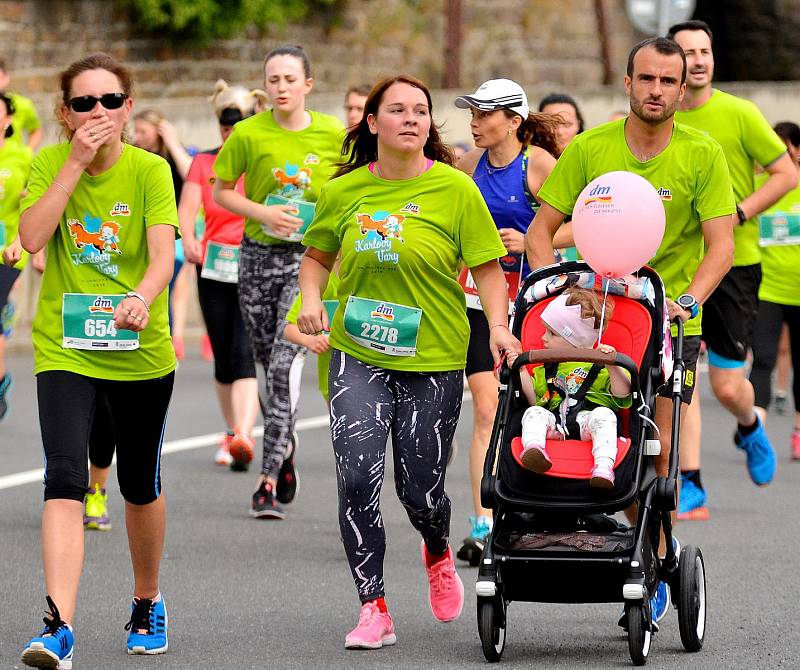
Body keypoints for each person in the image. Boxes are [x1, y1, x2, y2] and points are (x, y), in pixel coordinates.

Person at [296, 74, 520, 649]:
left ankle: (438, 549)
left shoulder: (455, 189)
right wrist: (313, 300)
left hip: (433, 356)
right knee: (356, 473)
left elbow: (490, 270)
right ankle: (373, 607)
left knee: (420, 487)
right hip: (359, 351)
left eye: (421, 110)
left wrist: (498, 325)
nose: (412, 118)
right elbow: (317, 259)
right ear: (373, 123)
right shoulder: (344, 192)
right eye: (397, 110)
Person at [525, 37, 735, 625]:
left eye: (669, 82)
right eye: (647, 79)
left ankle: (657, 553)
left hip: (665, 319)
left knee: (657, 446)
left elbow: (722, 244)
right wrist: (557, 292)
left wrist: (688, 300)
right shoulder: (591, 148)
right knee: (571, 415)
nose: (657, 91)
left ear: (683, 88)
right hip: (591, 316)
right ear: (627, 82)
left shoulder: (702, 154)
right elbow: (543, 230)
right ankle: (576, 521)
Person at [17, 52, 178, 667]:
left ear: (128, 107)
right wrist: (75, 165)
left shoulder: (149, 172)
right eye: (84, 103)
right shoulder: (50, 162)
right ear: (64, 113)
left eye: (110, 101)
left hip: (139, 348)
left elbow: (162, 256)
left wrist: (141, 297)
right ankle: (58, 624)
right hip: (66, 347)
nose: (98, 113)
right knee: (63, 475)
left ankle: (146, 599)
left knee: (139, 482)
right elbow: (32, 237)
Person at [668, 20, 797, 516]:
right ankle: (692, 481)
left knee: (724, 385)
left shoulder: (739, 114)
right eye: (688, 52)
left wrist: (740, 212)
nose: (698, 60)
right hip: (677, 267)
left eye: (705, 50)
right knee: (680, 381)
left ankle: (749, 424)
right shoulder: (662, 118)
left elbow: (785, 172)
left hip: (735, 265)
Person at [213, 44, 345, 518]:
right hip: (256, 256)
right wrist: (263, 211)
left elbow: (352, 186)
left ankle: (266, 480)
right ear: (264, 87)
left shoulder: (334, 133)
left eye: (290, 79)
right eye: (273, 80)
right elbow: (221, 190)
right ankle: (284, 450)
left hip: (310, 260)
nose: (282, 87)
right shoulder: (248, 133)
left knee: (286, 362)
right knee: (268, 363)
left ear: (308, 84)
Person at [452, 77, 559, 565]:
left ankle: (536, 509)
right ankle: (483, 520)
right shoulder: (465, 164)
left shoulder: (536, 164)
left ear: (514, 121)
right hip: (477, 303)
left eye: (484, 114)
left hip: (533, 306)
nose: (474, 122)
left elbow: (585, 223)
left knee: (537, 406)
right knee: (487, 408)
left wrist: (534, 239)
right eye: (472, 113)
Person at [179, 80, 266, 467]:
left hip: (253, 261)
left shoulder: (260, 160)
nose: (229, 134)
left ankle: (246, 434)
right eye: (224, 127)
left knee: (244, 348)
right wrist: (189, 238)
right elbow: (187, 210)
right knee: (222, 353)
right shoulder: (203, 163)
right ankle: (231, 430)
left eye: (236, 127)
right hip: (213, 265)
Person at [513, 288, 631, 487]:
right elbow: (535, 400)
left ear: (573, 340)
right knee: (533, 412)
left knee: (605, 416)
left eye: (552, 333)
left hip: (588, 421)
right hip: (556, 422)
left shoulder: (600, 366)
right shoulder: (545, 369)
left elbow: (623, 393)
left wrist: (612, 364)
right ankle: (534, 449)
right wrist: (521, 371)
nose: (543, 338)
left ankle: (603, 466)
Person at [749, 121, 800, 460]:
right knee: (763, 360)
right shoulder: (758, 188)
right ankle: (756, 435)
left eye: (783, 148)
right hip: (766, 289)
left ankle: (798, 433)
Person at [134, 108, 193, 358]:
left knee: (163, 289)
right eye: (135, 131)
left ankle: (165, 343)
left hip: (173, 234)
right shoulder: (135, 158)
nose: (137, 137)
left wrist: (171, 141)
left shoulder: (173, 156)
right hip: (140, 235)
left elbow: (192, 175)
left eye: (143, 131)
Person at [0, 92, 34, 420]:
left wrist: (24, 243)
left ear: (8, 119)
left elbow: (33, 202)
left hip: (8, 249)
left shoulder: (22, 156)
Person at [0, 59, 43, 150]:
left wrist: (28, 151)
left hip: (13, 160)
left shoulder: (23, 104)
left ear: (6, 78)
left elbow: (36, 129)